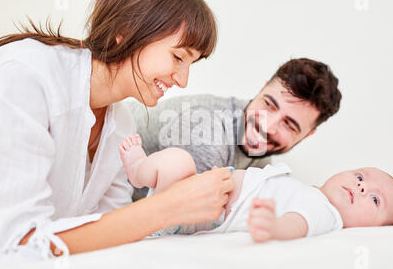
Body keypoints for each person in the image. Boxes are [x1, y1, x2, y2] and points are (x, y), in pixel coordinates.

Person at [0, 0, 235, 260]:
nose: (183, 80)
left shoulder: (122, 125)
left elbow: (110, 234)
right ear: (125, 31)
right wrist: (167, 208)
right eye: (178, 57)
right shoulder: (24, 75)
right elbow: (18, 245)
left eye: (191, 64)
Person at [127, 58, 342, 200]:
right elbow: (184, 216)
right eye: (269, 104)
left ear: (307, 135)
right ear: (262, 88)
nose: (266, 126)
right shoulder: (206, 133)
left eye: (289, 124)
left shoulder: (257, 153)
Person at [119, 135, 393, 240]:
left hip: (197, 211)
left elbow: (299, 224)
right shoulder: (310, 191)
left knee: (176, 162)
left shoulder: (326, 213)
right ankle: (140, 172)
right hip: (196, 193)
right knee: (177, 163)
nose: (360, 188)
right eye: (360, 177)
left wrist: (274, 227)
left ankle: (139, 173)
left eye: (374, 199)